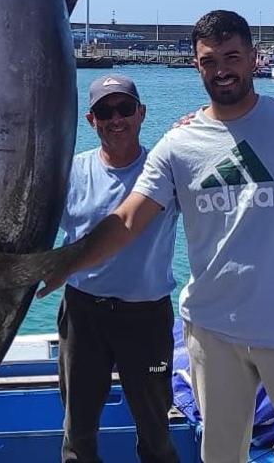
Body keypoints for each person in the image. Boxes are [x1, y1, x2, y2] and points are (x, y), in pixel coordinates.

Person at [41, 11, 274, 463]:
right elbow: (126, 221)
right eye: (209, 61)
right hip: (212, 333)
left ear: (254, 58)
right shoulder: (178, 145)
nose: (222, 70)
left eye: (232, 56)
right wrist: (63, 264)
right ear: (196, 65)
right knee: (218, 456)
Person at [58, 75, 180, 463]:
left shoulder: (166, 170)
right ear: (91, 120)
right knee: (78, 435)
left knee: (156, 430)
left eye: (125, 109)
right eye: (105, 111)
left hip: (146, 320)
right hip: (82, 315)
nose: (117, 119)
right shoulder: (69, 173)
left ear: (141, 114)